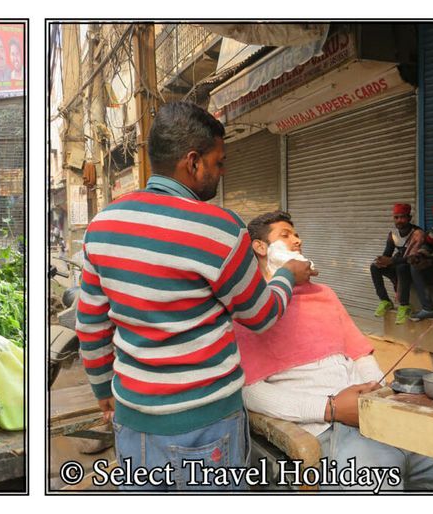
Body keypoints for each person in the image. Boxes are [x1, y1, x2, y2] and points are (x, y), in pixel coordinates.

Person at [75, 102, 311, 490]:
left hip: (133, 424)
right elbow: (260, 314)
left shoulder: (103, 225)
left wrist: (103, 391)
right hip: (207, 428)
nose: (223, 172)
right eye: (219, 163)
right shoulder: (219, 228)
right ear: (192, 162)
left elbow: (90, 325)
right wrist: (287, 275)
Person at [234, 211, 433, 491]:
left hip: (377, 413)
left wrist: (374, 393)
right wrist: (331, 408)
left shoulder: (324, 294)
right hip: (330, 428)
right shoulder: (251, 308)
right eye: (285, 235)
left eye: (296, 233)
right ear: (260, 247)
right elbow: (251, 392)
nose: (297, 240)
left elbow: (360, 355)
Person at [369, 203, 427, 323]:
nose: (399, 220)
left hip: (414, 269)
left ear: (409, 218)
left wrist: (391, 261)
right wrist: (382, 260)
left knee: (402, 267)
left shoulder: (417, 233)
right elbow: (387, 254)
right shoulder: (393, 234)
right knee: (374, 267)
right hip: (398, 266)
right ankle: (385, 301)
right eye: (396, 217)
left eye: (402, 217)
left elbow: (413, 257)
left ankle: (404, 305)